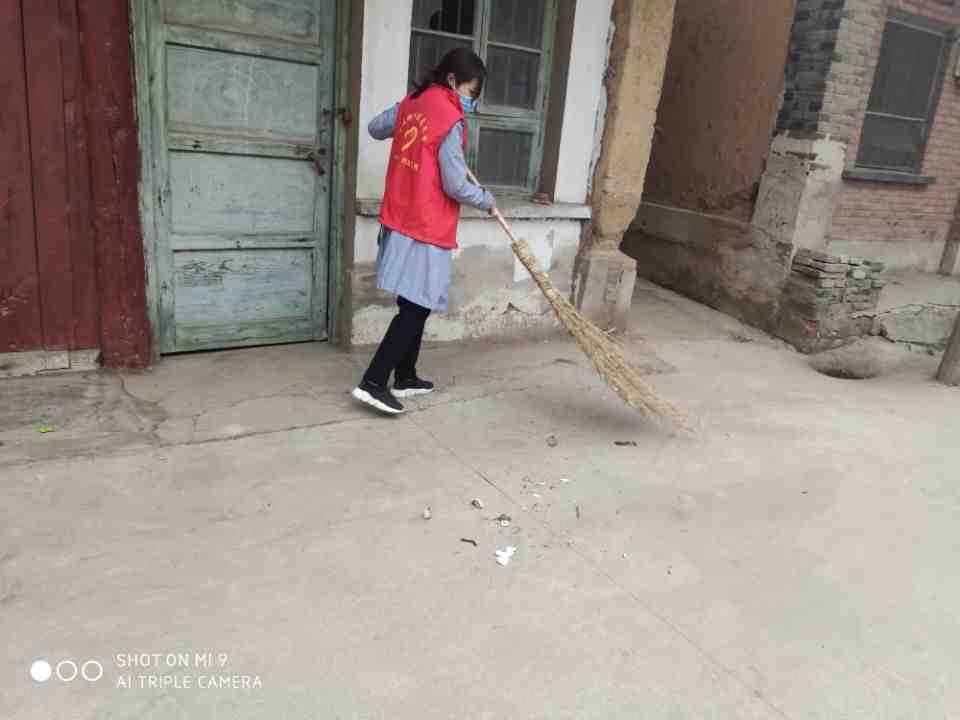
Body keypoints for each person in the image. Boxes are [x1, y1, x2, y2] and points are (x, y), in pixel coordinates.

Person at [351, 48, 497, 415]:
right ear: (453, 80)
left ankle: (405, 375)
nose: (472, 101)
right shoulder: (450, 118)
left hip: (400, 216)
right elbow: (456, 185)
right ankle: (373, 382)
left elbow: (376, 127)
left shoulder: (413, 101)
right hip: (424, 223)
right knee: (416, 307)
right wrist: (486, 199)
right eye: (471, 92)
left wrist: (408, 113)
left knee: (414, 301)